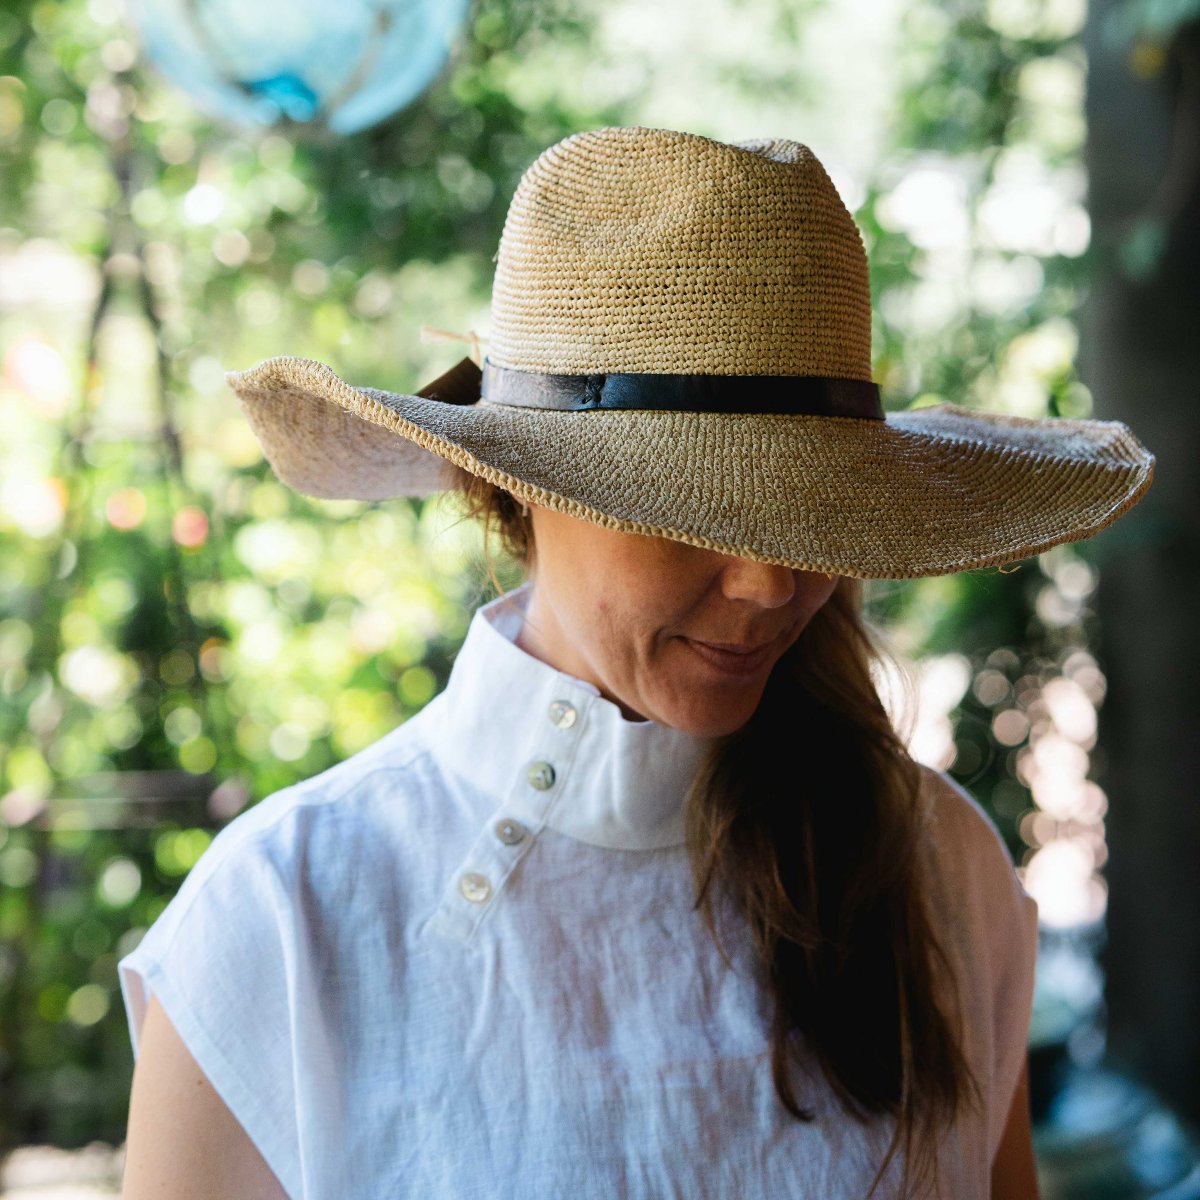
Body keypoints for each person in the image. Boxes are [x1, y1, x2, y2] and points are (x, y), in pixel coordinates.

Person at [117, 126, 1155, 1199]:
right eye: (687, 508)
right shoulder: (282, 926)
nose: (768, 583)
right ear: (516, 485)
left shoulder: (937, 869)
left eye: (806, 510)